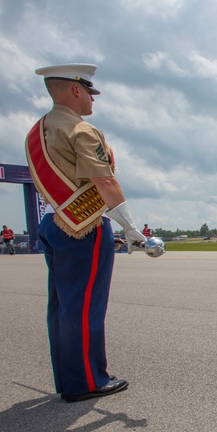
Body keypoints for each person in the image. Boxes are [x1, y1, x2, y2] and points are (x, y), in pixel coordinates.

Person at [25, 63, 136, 402]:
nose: (92, 99)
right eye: (90, 92)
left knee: (63, 307)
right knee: (85, 307)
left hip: (54, 222)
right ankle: (88, 380)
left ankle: (70, 378)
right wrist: (130, 227)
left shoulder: (39, 130)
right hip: (83, 228)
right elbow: (104, 180)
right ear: (76, 90)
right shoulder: (81, 130)